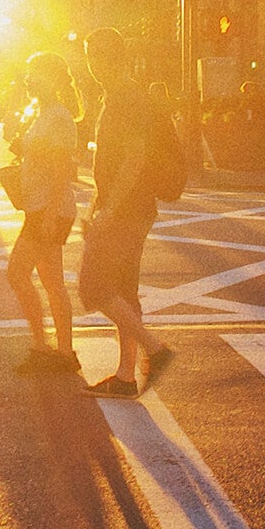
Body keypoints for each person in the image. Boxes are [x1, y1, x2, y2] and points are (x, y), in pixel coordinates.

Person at [79, 28, 183, 398]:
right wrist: (97, 204)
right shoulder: (115, 96)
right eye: (90, 55)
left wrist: (109, 208)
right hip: (123, 207)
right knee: (123, 290)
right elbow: (106, 163)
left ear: (114, 57)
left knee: (94, 287)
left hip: (128, 209)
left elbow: (134, 157)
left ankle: (155, 349)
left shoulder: (128, 97)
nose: (92, 64)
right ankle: (124, 376)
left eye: (98, 55)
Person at [7, 52, 85, 374]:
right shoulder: (43, 114)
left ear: (50, 79)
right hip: (41, 206)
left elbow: (61, 168)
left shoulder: (57, 117)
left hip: (48, 209)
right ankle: (65, 354)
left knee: (16, 273)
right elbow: (41, 156)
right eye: (28, 73)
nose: (29, 79)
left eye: (34, 73)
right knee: (53, 282)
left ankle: (42, 347)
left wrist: (52, 213)